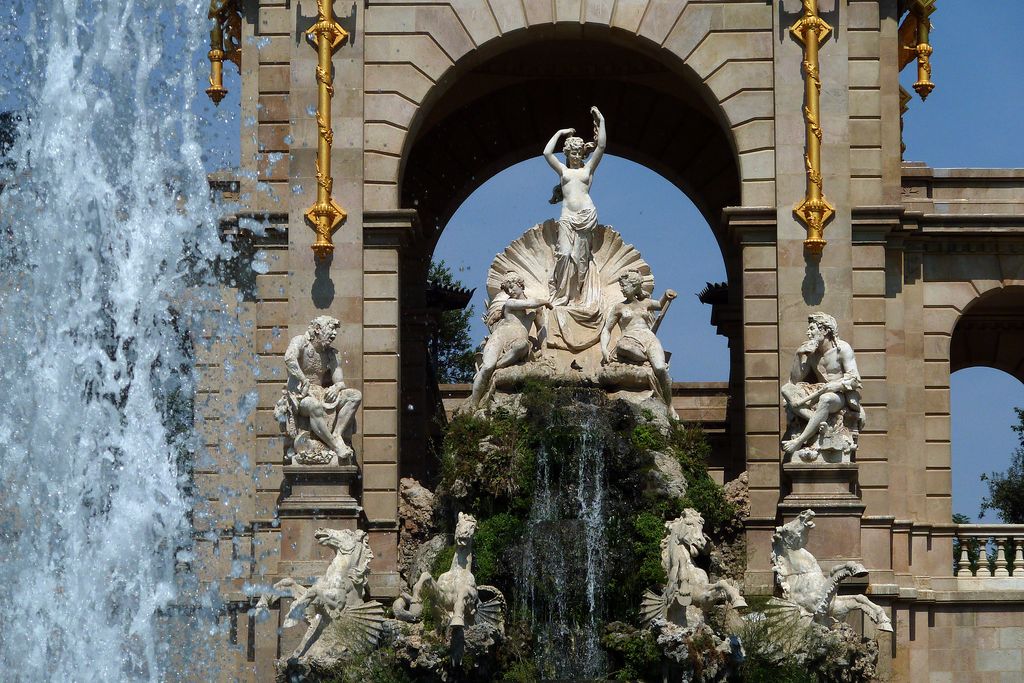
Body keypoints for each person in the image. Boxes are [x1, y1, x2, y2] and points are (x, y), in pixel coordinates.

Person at [543, 106, 607, 306]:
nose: (577, 155)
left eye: (579, 152)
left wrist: (601, 121)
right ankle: (562, 295)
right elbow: (546, 153)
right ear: (567, 153)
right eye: (573, 152)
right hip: (567, 218)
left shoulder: (588, 169)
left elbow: (601, 147)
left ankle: (577, 297)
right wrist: (560, 133)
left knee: (580, 259)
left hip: (586, 215)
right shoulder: (563, 171)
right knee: (563, 254)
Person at [278, 315, 362, 463]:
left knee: (355, 396)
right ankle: (335, 446)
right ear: (317, 329)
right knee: (313, 405)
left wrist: (336, 388)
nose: (334, 333)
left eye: (335, 330)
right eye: (331, 329)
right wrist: (303, 379)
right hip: (299, 395)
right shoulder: (300, 342)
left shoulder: (332, 354)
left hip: (319, 392)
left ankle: (337, 434)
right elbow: (289, 359)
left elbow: (340, 381)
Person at [780, 313, 865, 456]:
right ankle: (819, 422)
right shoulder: (812, 353)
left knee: (826, 399)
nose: (808, 333)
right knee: (786, 389)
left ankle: (799, 441)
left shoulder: (842, 348)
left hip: (838, 396)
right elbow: (794, 381)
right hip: (817, 391)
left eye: (812, 329)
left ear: (824, 330)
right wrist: (799, 355)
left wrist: (837, 385)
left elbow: (855, 379)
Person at [467, 272, 552, 410]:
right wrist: (545, 301)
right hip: (501, 337)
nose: (510, 292)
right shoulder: (510, 303)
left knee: (522, 345)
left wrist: (545, 352)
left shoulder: (535, 310)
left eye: (512, 287)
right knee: (487, 366)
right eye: (507, 290)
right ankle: (473, 406)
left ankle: (498, 366)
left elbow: (541, 329)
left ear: (520, 285)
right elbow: (530, 302)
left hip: (518, 341)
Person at [600, 270, 677, 413]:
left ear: (634, 286)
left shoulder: (645, 302)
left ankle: (669, 405)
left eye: (624, 286)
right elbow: (606, 329)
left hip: (648, 338)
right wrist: (604, 349)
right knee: (622, 347)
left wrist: (666, 295)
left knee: (660, 369)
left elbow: (660, 305)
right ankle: (646, 361)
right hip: (630, 340)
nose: (622, 289)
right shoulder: (619, 307)